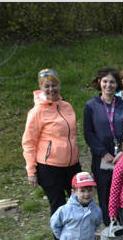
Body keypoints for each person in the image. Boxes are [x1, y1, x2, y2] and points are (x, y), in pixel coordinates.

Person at [22, 68, 81, 223]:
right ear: (41, 88)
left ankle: (77, 236)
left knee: (80, 200)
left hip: (72, 164)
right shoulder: (37, 112)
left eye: (54, 85)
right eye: (46, 86)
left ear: (59, 85)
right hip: (49, 167)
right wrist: (31, 171)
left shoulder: (67, 106)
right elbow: (28, 142)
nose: (51, 89)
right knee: (58, 205)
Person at [83, 67, 123, 226]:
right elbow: (88, 133)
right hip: (102, 159)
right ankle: (111, 228)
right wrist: (103, 153)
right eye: (105, 81)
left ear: (117, 85)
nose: (108, 85)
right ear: (99, 83)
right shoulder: (91, 106)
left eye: (112, 82)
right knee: (105, 194)